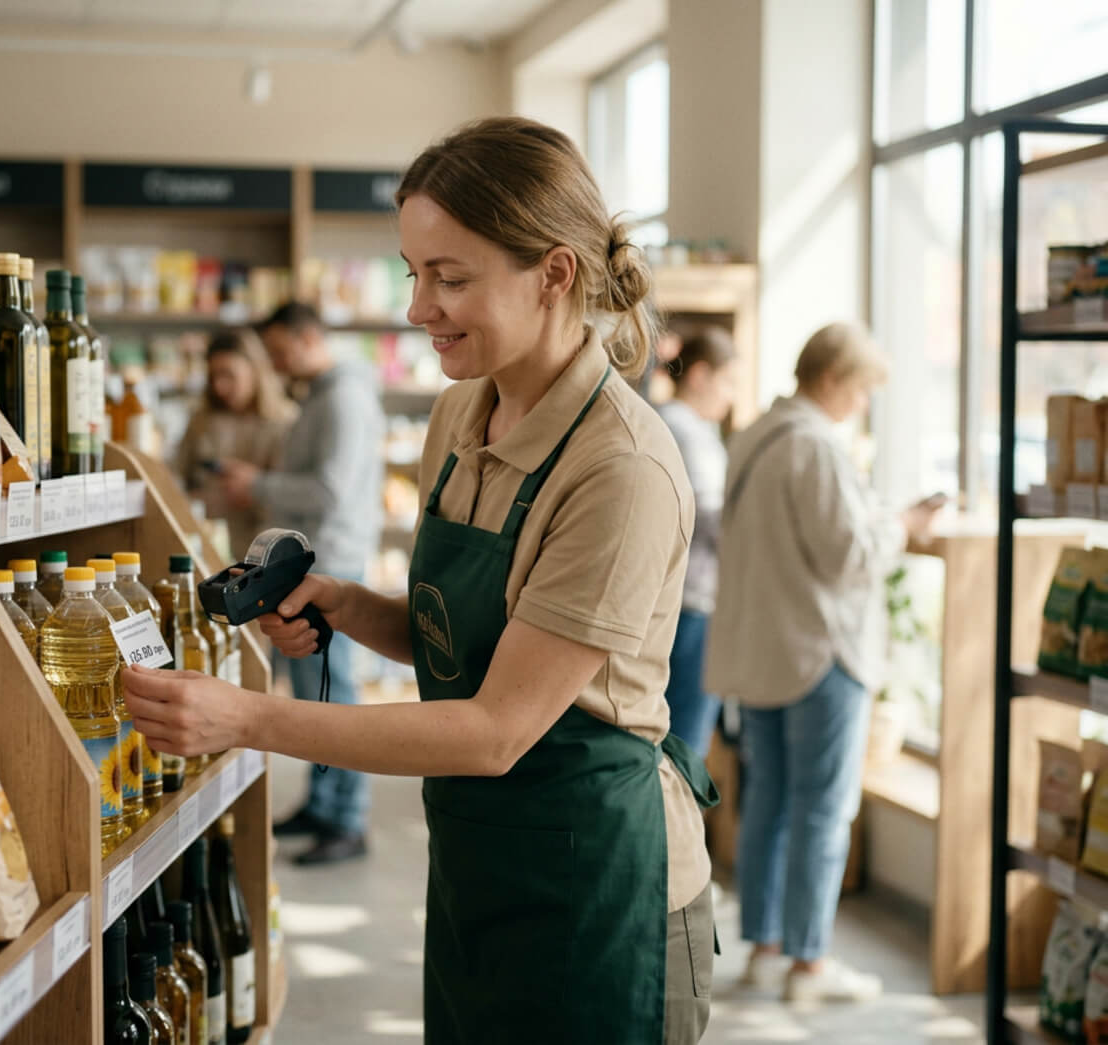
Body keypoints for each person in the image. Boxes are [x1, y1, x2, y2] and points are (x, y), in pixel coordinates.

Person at [121, 116, 717, 1044]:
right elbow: (464, 639)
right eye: (413, 273)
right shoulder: (460, 413)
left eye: (451, 277)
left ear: (555, 273)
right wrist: (348, 605)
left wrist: (249, 720)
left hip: (598, 883)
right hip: (479, 860)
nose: (417, 308)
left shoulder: (620, 469)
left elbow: (494, 728)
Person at [706, 322, 939, 1004]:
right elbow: (847, 557)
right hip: (820, 652)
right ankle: (810, 963)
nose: (864, 405)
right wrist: (903, 526)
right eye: (863, 389)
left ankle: (765, 947)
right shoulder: (817, 446)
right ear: (833, 378)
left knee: (769, 801)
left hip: (761, 650)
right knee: (822, 809)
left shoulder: (754, 435)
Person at [214, 301, 385, 866]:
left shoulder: (341, 398)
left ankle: (348, 820)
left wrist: (259, 483)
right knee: (315, 692)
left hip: (330, 566)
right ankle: (324, 804)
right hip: (315, 562)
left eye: (281, 350)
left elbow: (330, 491)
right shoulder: (323, 395)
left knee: (334, 692)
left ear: (308, 337)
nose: (277, 363)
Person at [656, 327, 737, 757]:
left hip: (675, 602)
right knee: (685, 747)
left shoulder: (664, 421)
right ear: (701, 375)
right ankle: (677, 826)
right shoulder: (688, 432)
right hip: (692, 604)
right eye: (729, 381)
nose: (731, 397)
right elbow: (715, 519)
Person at [171, 327, 296, 558]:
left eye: (229, 375)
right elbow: (175, 478)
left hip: (268, 555)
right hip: (207, 552)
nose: (220, 386)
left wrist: (256, 486)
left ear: (255, 370)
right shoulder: (201, 421)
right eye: (213, 377)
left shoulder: (286, 422)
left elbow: (296, 496)